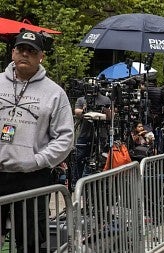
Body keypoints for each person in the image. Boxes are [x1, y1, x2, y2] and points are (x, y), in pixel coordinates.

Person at [0, 30, 74, 252]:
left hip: (33, 177)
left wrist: (37, 160)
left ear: (41, 56)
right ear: (13, 52)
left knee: (30, 240)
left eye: (31, 51)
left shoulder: (55, 93)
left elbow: (65, 137)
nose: (25, 54)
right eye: (21, 49)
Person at [73, 80, 111, 187]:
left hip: (101, 134)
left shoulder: (105, 99)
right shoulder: (82, 99)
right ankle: (77, 183)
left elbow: (110, 116)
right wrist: (85, 110)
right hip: (85, 134)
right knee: (80, 158)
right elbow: (76, 112)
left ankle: (97, 184)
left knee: (100, 158)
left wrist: (105, 111)